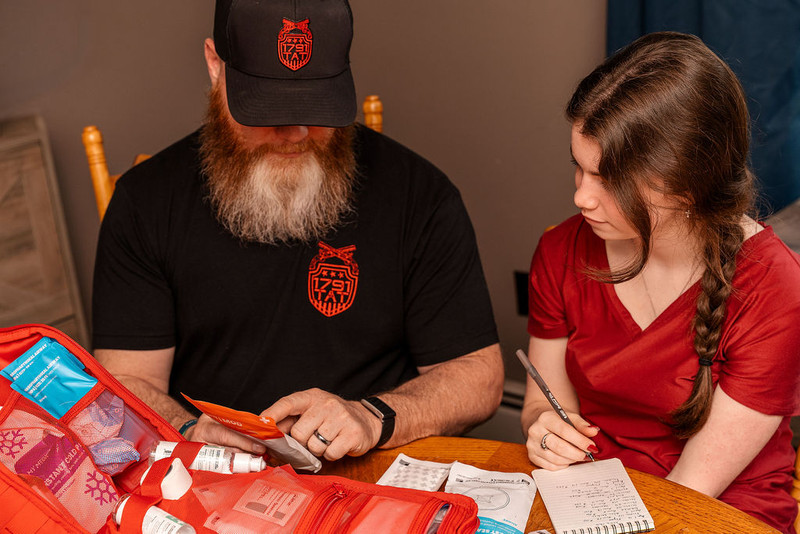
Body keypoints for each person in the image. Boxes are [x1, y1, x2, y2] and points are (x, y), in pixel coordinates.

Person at [92, 0, 503, 463]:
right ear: (215, 66)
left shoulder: (420, 194)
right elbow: (127, 383)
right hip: (215, 472)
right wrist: (190, 429)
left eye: (315, 105)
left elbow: (478, 376)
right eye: (266, 108)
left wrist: (373, 416)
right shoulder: (145, 201)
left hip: (372, 465)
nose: (295, 132)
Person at [521, 31, 800, 532]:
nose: (582, 198)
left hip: (715, 511)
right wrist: (543, 428)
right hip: (592, 498)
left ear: (688, 184)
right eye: (578, 169)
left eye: (607, 179)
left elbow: (691, 489)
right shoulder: (560, 250)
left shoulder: (773, 286)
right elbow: (545, 400)